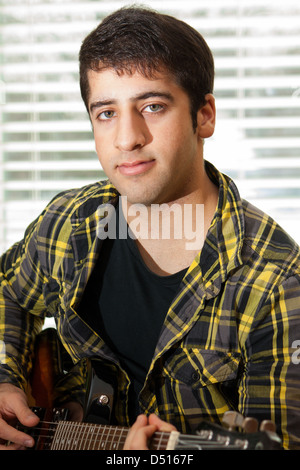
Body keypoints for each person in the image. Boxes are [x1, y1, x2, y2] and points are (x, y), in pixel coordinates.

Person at [0, 5, 300, 451]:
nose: (127, 138)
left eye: (153, 106)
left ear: (204, 116)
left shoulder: (277, 281)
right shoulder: (70, 223)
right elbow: (7, 292)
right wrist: (5, 379)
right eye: (106, 113)